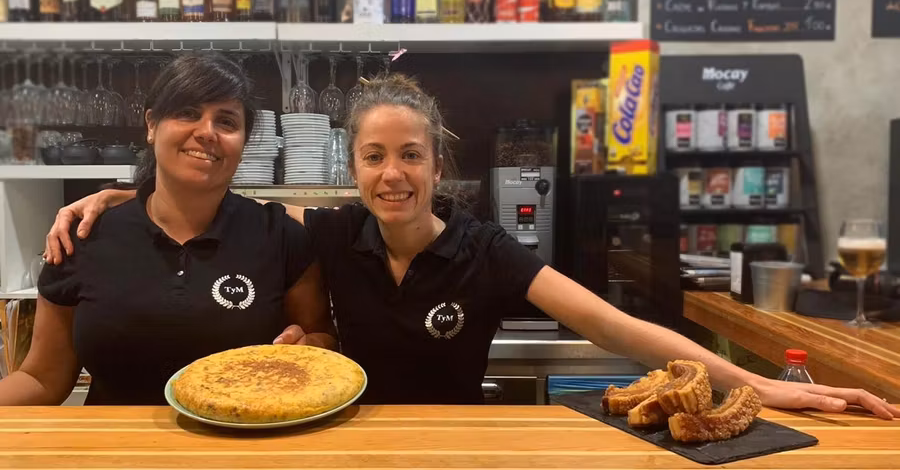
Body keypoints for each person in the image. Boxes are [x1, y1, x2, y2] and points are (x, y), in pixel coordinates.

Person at [45, 74, 900, 418]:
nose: (392, 175)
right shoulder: (329, 232)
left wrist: (758, 387)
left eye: (409, 155)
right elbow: (209, 203)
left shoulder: (488, 250)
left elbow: (617, 329)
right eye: (374, 157)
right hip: (353, 447)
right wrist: (118, 197)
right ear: (353, 168)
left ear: (436, 161)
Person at [0, 54, 334, 406]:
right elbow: (42, 377)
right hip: (114, 455)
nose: (206, 132)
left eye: (226, 121)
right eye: (187, 113)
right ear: (151, 125)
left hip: (242, 451)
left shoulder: (281, 236)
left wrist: (312, 346)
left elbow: (321, 341)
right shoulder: (83, 235)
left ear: (244, 142)